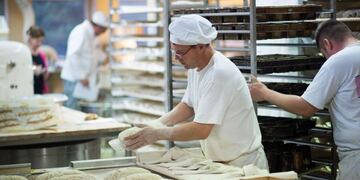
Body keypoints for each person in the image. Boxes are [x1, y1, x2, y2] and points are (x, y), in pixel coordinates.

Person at [124, 14, 269, 170]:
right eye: (174, 52)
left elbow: (201, 130)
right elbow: (188, 105)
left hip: (243, 165)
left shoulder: (218, 74)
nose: (176, 58)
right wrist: (157, 123)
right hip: (220, 161)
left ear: (200, 46)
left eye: (180, 52)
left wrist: (159, 134)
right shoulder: (196, 67)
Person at [249, 20, 360, 179]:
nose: (326, 59)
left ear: (327, 44)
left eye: (324, 54)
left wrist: (265, 93)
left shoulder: (338, 61)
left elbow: (306, 108)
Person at [61, 11, 108, 109]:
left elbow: (95, 54)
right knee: (72, 111)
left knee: (82, 112)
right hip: (74, 80)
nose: (103, 33)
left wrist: (106, 58)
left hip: (84, 80)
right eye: (103, 30)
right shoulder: (81, 32)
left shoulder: (93, 36)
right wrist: (81, 77)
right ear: (98, 27)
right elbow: (73, 55)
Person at [26, 26, 49, 94]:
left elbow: (45, 75)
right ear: (30, 38)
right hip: (28, 90)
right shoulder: (25, 54)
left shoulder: (42, 55)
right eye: (37, 41)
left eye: (41, 41)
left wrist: (44, 72)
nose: (39, 44)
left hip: (40, 90)